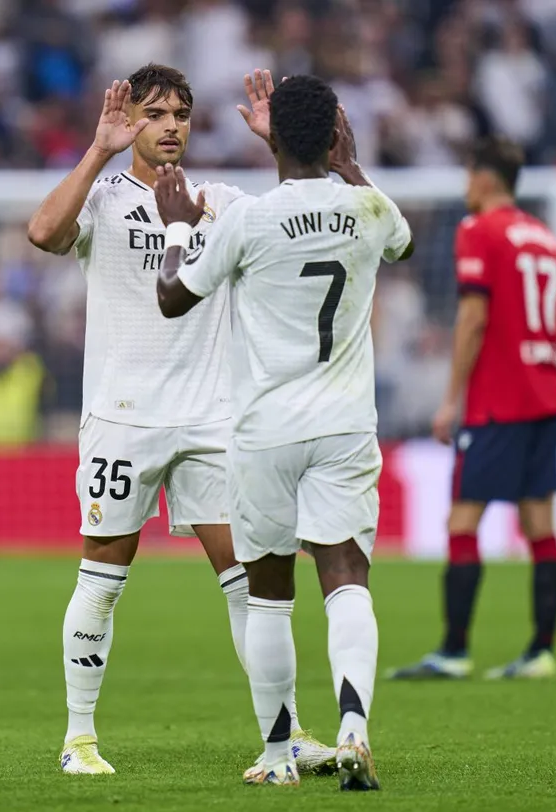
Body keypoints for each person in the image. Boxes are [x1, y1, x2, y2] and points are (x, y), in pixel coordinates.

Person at [27, 64, 333, 775]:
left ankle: (285, 735)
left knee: (251, 582)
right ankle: (78, 740)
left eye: (182, 114)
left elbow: (293, 226)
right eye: (156, 113)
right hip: (123, 418)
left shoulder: (217, 201)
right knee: (102, 579)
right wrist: (98, 148)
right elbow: (43, 232)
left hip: (210, 421)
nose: (171, 126)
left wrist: (278, 146)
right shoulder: (102, 198)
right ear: (129, 118)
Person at [153, 75, 413, 789]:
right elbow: (404, 244)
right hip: (344, 426)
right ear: (336, 136)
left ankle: (276, 757)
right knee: (346, 577)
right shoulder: (369, 207)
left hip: (266, 430)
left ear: (275, 143)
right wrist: (348, 165)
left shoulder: (250, 219)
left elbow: (173, 298)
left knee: (269, 592)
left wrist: (176, 225)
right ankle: (354, 729)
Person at [386, 136, 556, 681]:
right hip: (544, 395)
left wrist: (451, 400)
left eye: (469, 175)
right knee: (540, 523)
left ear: (486, 178)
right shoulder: (545, 237)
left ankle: (454, 650)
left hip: (499, 402)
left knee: (462, 520)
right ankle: (541, 651)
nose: (466, 186)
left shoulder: (479, 229)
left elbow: (472, 317)